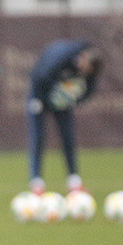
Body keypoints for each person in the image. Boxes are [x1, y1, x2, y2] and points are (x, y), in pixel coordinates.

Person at [25, 40, 103, 194]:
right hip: (40, 94)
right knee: (38, 137)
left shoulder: (92, 70)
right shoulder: (61, 57)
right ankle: (36, 183)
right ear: (83, 57)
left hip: (63, 101)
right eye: (85, 66)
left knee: (68, 137)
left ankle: (74, 182)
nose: (84, 70)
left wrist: (72, 99)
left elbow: (88, 90)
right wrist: (42, 100)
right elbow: (39, 76)